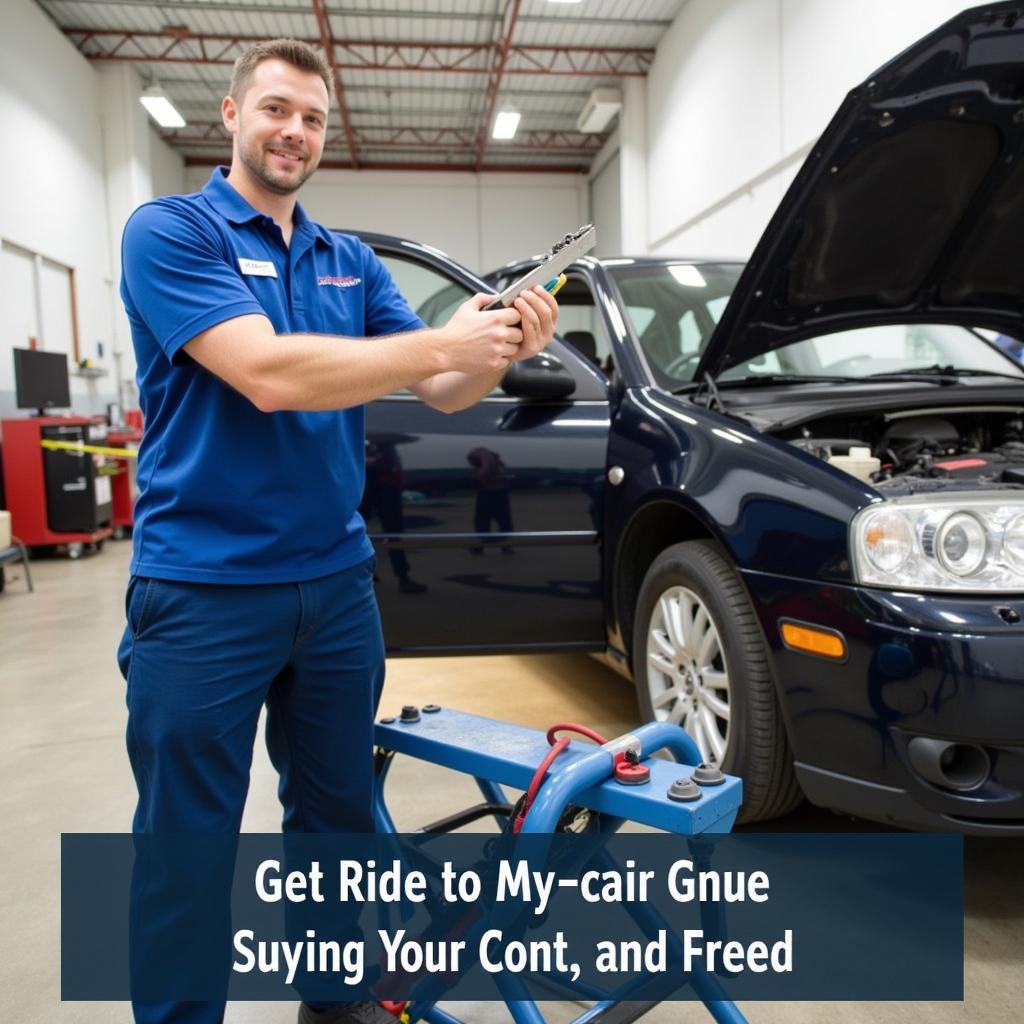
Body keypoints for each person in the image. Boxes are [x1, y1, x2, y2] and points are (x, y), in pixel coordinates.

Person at [117, 37, 558, 1024]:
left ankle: (337, 997)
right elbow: (269, 374)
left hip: (334, 588)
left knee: (335, 822)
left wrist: (495, 345)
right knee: (187, 842)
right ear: (231, 116)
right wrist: (442, 337)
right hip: (202, 591)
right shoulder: (169, 232)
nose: (293, 132)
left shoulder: (345, 260)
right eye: (275, 109)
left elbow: (441, 389)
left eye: (312, 119)